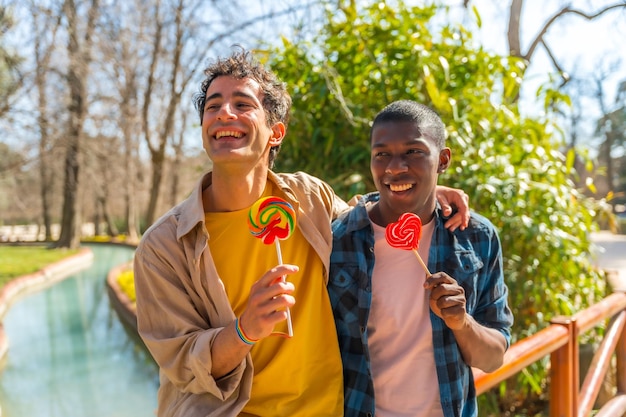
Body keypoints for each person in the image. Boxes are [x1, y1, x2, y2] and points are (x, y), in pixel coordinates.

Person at [133, 49, 471, 417]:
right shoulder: (163, 246)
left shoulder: (310, 199)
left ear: (275, 133)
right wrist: (244, 330)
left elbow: (367, 219)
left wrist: (418, 191)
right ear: (204, 131)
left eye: (242, 104)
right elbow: (182, 363)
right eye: (213, 106)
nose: (224, 113)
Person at [328, 100, 514, 417]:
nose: (395, 167)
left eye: (413, 152)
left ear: (442, 160)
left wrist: (461, 322)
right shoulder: (337, 241)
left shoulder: (476, 238)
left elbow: (493, 357)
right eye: (382, 154)